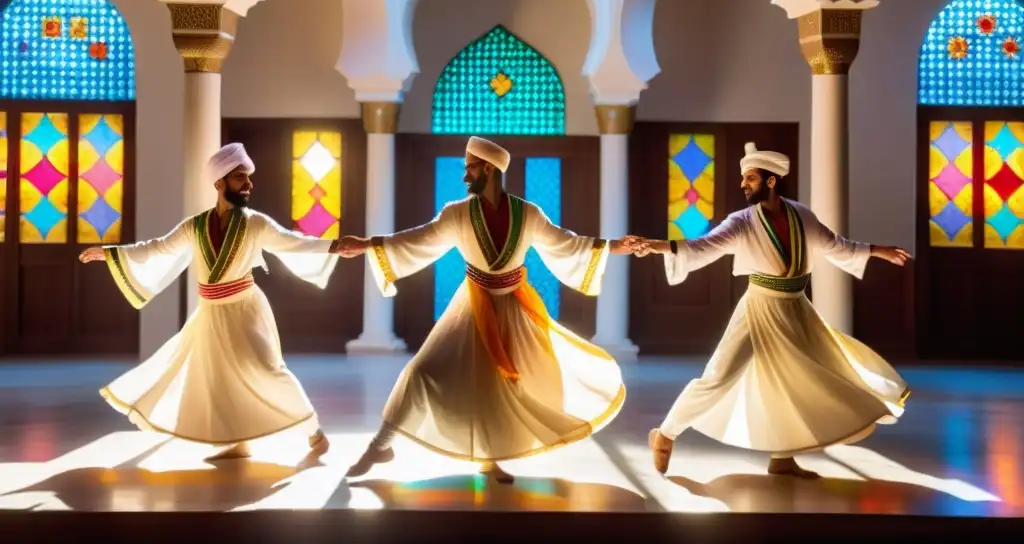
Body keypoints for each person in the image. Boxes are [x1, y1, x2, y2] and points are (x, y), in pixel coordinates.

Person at [335, 136, 630, 482]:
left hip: (516, 309)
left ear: (487, 169)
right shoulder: (457, 213)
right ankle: (380, 446)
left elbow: (566, 242)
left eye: (469, 169)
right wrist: (368, 245)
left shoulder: (528, 214)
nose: (464, 177)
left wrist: (612, 246)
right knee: (420, 373)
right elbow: (417, 238)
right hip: (472, 306)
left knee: (501, 386)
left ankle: (491, 458)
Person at [624, 142, 912, 479]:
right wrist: (657, 246)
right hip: (759, 307)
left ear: (771, 181)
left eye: (750, 178)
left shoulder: (801, 215)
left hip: (796, 309)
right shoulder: (742, 221)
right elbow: (704, 245)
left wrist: (879, 251)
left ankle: (783, 458)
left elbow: (835, 245)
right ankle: (665, 434)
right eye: (743, 178)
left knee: (796, 381)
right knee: (720, 376)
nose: (742, 184)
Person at [80, 142, 343, 462]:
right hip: (210, 314)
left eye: (248, 178)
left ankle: (313, 431)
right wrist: (110, 252)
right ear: (220, 184)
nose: (249, 184)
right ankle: (238, 440)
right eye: (240, 178)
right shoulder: (196, 225)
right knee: (218, 381)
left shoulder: (255, 223)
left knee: (268, 370)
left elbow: (293, 243)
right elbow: (158, 248)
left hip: (245, 310)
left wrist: (334, 246)